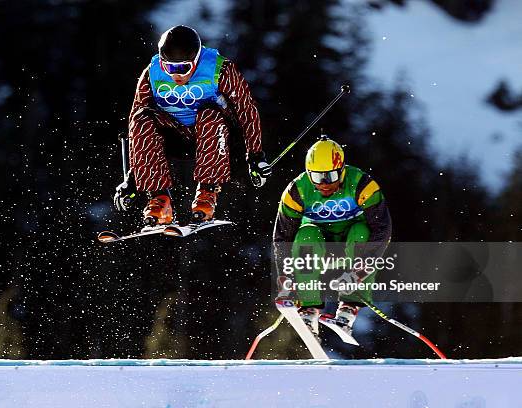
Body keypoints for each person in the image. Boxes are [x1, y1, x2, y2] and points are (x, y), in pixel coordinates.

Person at [113, 25, 271, 225]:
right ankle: (159, 199)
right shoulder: (151, 73)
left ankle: (207, 193)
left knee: (209, 113)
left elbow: (246, 109)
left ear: (196, 60)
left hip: (216, 136)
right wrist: (133, 180)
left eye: (183, 68)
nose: (175, 75)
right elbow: (135, 121)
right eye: (169, 67)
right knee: (141, 117)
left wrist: (256, 156)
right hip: (173, 136)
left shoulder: (220, 69)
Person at [273, 135, 392, 335]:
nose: (325, 184)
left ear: (342, 170)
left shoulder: (362, 184)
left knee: (362, 231)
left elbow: (382, 230)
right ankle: (308, 307)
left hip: (351, 244)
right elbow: (282, 238)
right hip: (320, 247)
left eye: (331, 176)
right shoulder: (296, 191)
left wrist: (359, 272)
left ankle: (349, 306)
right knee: (306, 236)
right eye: (318, 178)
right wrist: (285, 279)